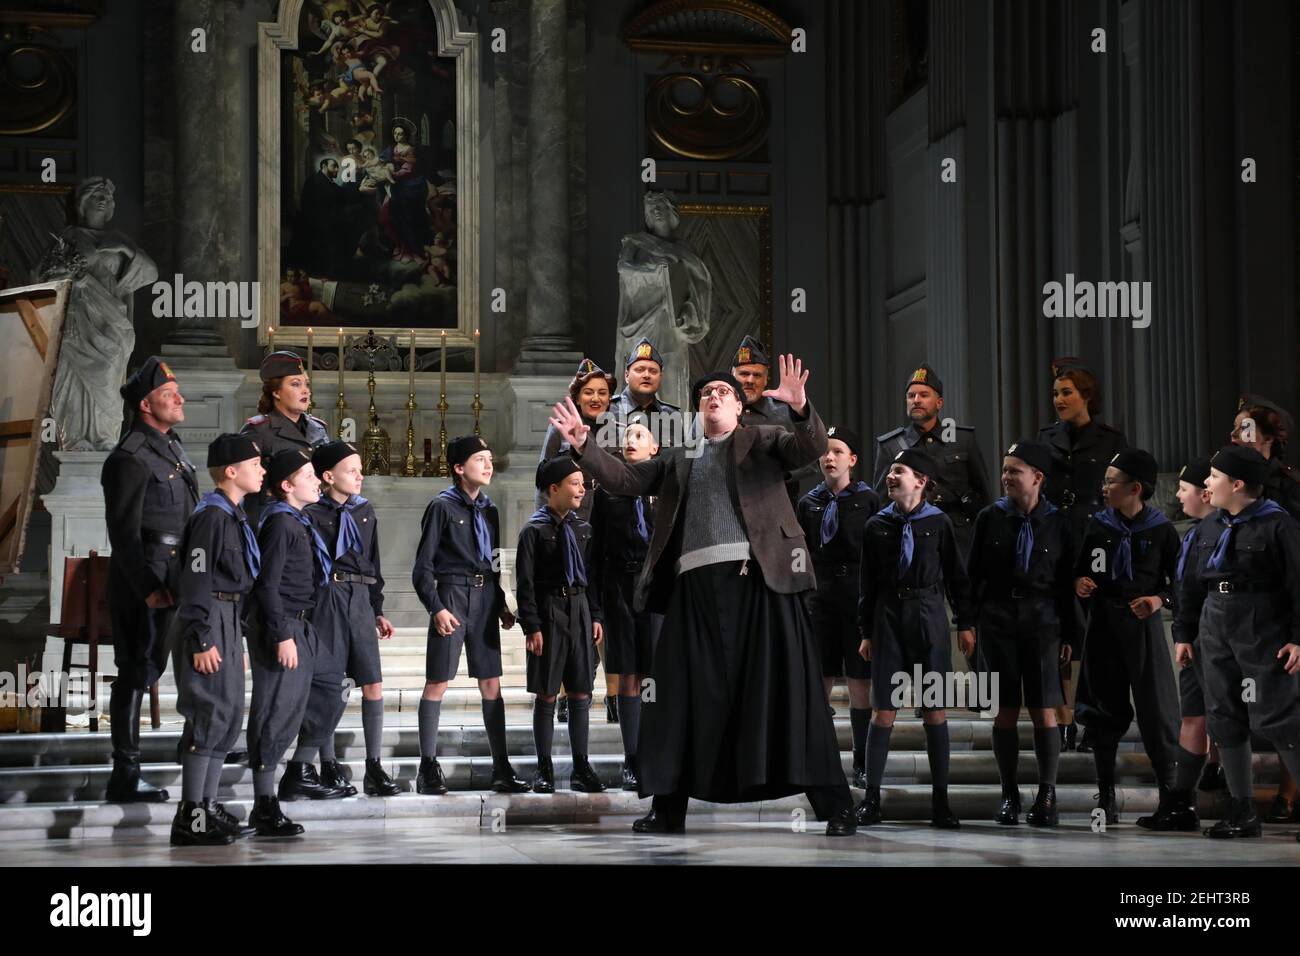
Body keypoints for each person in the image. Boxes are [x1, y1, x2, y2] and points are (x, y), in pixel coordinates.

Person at [551, 355, 858, 836]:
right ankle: (667, 809)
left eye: (723, 392)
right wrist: (585, 444)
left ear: (738, 407)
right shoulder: (680, 456)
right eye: (704, 394)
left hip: (761, 584)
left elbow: (808, 448)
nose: (712, 397)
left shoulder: (762, 440)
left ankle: (837, 807)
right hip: (693, 589)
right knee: (675, 697)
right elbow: (626, 480)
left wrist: (800, 407)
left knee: (789, 694)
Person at [1174, 445, 1300, 840]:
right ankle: (1242, 809)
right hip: (1215, 623)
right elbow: (1191, 587)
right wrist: (1184, 634)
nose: (1206, 484)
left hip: (1262, 625)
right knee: (1223, 716)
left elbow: (1299, 585)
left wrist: (1298, 639)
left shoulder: (1278, 525)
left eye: (1213, 477)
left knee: (1277, 718)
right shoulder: (1208, 529)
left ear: (1238, 484)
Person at [856, 448, 974, 829]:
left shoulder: (938, 524)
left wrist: (966, 623)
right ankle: (871, 798)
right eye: (890, 471)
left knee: (934, 710)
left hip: (928, 617)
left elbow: (957, 578)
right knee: (884, 709)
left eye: (899, 471)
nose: (891, 477)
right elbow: (868, 584)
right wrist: (866, 632)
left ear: (921, 481)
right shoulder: (877, 525)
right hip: (888, 617)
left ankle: (941, 801)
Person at [965, 440, 1078, 827]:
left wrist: (1070, 636)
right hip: (998, 621)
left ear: (1038, 477)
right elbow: (972, 576)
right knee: (1005, 710)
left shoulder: (1060, 523)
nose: (1006, 476)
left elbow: (1066, 584)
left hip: (1043, 620)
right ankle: (1009, 794)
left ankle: (1047, 795)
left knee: (1045, 709)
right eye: (1005, 469)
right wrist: (971, 625)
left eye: (1015, 470)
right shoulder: (989, 518)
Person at [101, 357, 198, 803]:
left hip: (180, 574)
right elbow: (123, 533)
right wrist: (147, 587)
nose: (179, 399)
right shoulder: (130, 457)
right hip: (148, 580)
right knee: (137, 671)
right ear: (145, 404)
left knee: (191, 660)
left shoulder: (172, 448)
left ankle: (197, 747)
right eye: (168, 394)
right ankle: (125, 772)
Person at [412, 436, 529, 795]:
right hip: (451, 594)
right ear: (459, 468)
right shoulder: (442, 507)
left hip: (484, 597)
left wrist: (502, 605)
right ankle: (428, 768)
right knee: (438, 681)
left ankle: (501, 767)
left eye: (490, 459)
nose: (489, 465)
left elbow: (493, 564)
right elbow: (422, 568)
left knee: (491, 683)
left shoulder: (490, 509)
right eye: (480, 459)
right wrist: (437, 607)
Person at [1072, 448, 1180, 825]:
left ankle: (1170, 798)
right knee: (1103, 710)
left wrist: (1158, 599)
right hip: (1104, 623)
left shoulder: (1161, 530)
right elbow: (1083, 567)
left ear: (1135, 488)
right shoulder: (1099, 524)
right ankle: (1105, 797)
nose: (1103, 488)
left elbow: (1179, 585)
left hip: (1142, 626)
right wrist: (1081, 583)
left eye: (1110, 481)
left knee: (1156, 710)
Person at [168, 434, 264, 846]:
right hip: (206, 617)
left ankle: (206, 809)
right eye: (255, 464)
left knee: (224, 716)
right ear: (231, 471)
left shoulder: (232, 515)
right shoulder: (211, 516)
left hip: (226, 617)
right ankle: (191, 817)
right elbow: (196, 578)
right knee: (207, 713)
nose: (262, 471)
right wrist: (202, 637)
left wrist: (234, 637)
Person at [296, 441, 402, 798]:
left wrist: (377, 608)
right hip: (327, 597)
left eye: (360, 469)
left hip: (359, 598)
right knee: (331, 684)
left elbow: (372, 563)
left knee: (372, 682)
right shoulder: (310, 512)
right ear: (328, 476)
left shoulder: (364, 510)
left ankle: (374, 767)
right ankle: (327, 766)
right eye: (351, 470)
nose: (360, 475)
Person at [1038, 359, 1128, 752]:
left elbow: (1121, 495)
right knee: (1056, 634)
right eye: (1056, 393)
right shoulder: (1045, 438)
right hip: (1055, 541)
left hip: (1095, 541)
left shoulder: (1111, 440)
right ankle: (1062, 720)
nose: (1058, 399)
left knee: (1092, 636)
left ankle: (1092, 718)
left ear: (1086, 396)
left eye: (1066, 393)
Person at [248, 449, 338, 835]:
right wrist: (282, 634)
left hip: (305, 625)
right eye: (308, 476)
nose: (317, 480)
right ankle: (264, 804)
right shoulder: (281, 524)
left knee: (334, 687)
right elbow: (265, 585)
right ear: (287, 486)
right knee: (276, 712)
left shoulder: (299, 521)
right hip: (282, 626)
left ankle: (299, 768)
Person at [1134, 456, 1216, 831]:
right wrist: (1183, 634)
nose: (1178, 496)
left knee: (1229, 720)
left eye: (1183, 489)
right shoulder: (1195, 533)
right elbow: (1183, 589)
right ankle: (1181, 805)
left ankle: (1241, 802)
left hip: (1222, 639)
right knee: (1191, 717)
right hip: (1196, 636)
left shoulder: (1222, 531)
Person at [516, 456, 606, 795]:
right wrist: (532, 626)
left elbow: (593, 576)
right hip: (550, 610)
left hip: (580, 608)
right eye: (574, 483)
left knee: (581, 689)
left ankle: (581, 765)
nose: (582, 488)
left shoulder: (583, 529)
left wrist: (595, 615)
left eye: (582, 483)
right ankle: (544, 768)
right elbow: (525, 584)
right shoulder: (534, 531)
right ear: (554, 489)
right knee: (547, 691)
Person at [795, 425, 879, 787]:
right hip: (821, 595)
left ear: (853, 460)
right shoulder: (808, 502)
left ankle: (862, 760)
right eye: (825, 451)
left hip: (857, 595)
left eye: (838, 452)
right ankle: (816, 760)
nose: (829, 457)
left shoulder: (869, 500)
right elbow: (800, 553)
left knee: (860, 682)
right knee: (818, 680)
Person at [537, 359, 618, 722]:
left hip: (608, 531)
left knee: (604, 615)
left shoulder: (617, 427)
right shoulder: (560, 430)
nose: (596, 398)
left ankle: (613, 698)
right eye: (589, 392)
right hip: (573, 530)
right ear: (577, 395)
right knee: (575, 615)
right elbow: (544, 480)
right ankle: (571, 695)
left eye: (602, 392)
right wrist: (553, 526)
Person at [590, 417, 663, 789]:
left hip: (655, 590)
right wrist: (595, 609)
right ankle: (632, 757)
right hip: (620, 587)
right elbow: (595, 550)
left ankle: (655, 753)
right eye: (627, 437)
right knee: (630, 676)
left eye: (640, 436)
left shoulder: (666, 488)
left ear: (655, 450)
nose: (631, 441)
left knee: (654, 676)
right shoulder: (607, 491)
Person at [870, 364, 991, 558]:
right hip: (911, 540)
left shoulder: (962, 439)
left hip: (958, 540)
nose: (916, 400)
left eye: (924, 395)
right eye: (911, 396)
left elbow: (983, 494)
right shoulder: (891, 445)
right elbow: (883, 501)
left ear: (939, 402)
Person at [240, 350, 332, 523]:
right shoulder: (259, 430)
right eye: (296, 384)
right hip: (277, 521)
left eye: (307, 384)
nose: (305, 391)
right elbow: (243, 483)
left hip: (316, 520)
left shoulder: (318, 428)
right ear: (276, 392)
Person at [733, 334, 814, 506]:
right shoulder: (715, 408)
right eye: (744, 374)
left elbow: (810, 457)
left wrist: (775, 472)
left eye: (757, 375)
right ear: (732, 376)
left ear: (765, 379)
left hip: (775, 507)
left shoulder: (784, 410)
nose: (750, 380)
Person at [609, 338, 685, 451]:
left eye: (653, 371)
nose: (646, 375)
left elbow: (678, 461)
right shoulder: (609, 409)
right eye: (639, 370)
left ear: (660, 377)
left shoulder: (671, 416)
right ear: (626, 376)